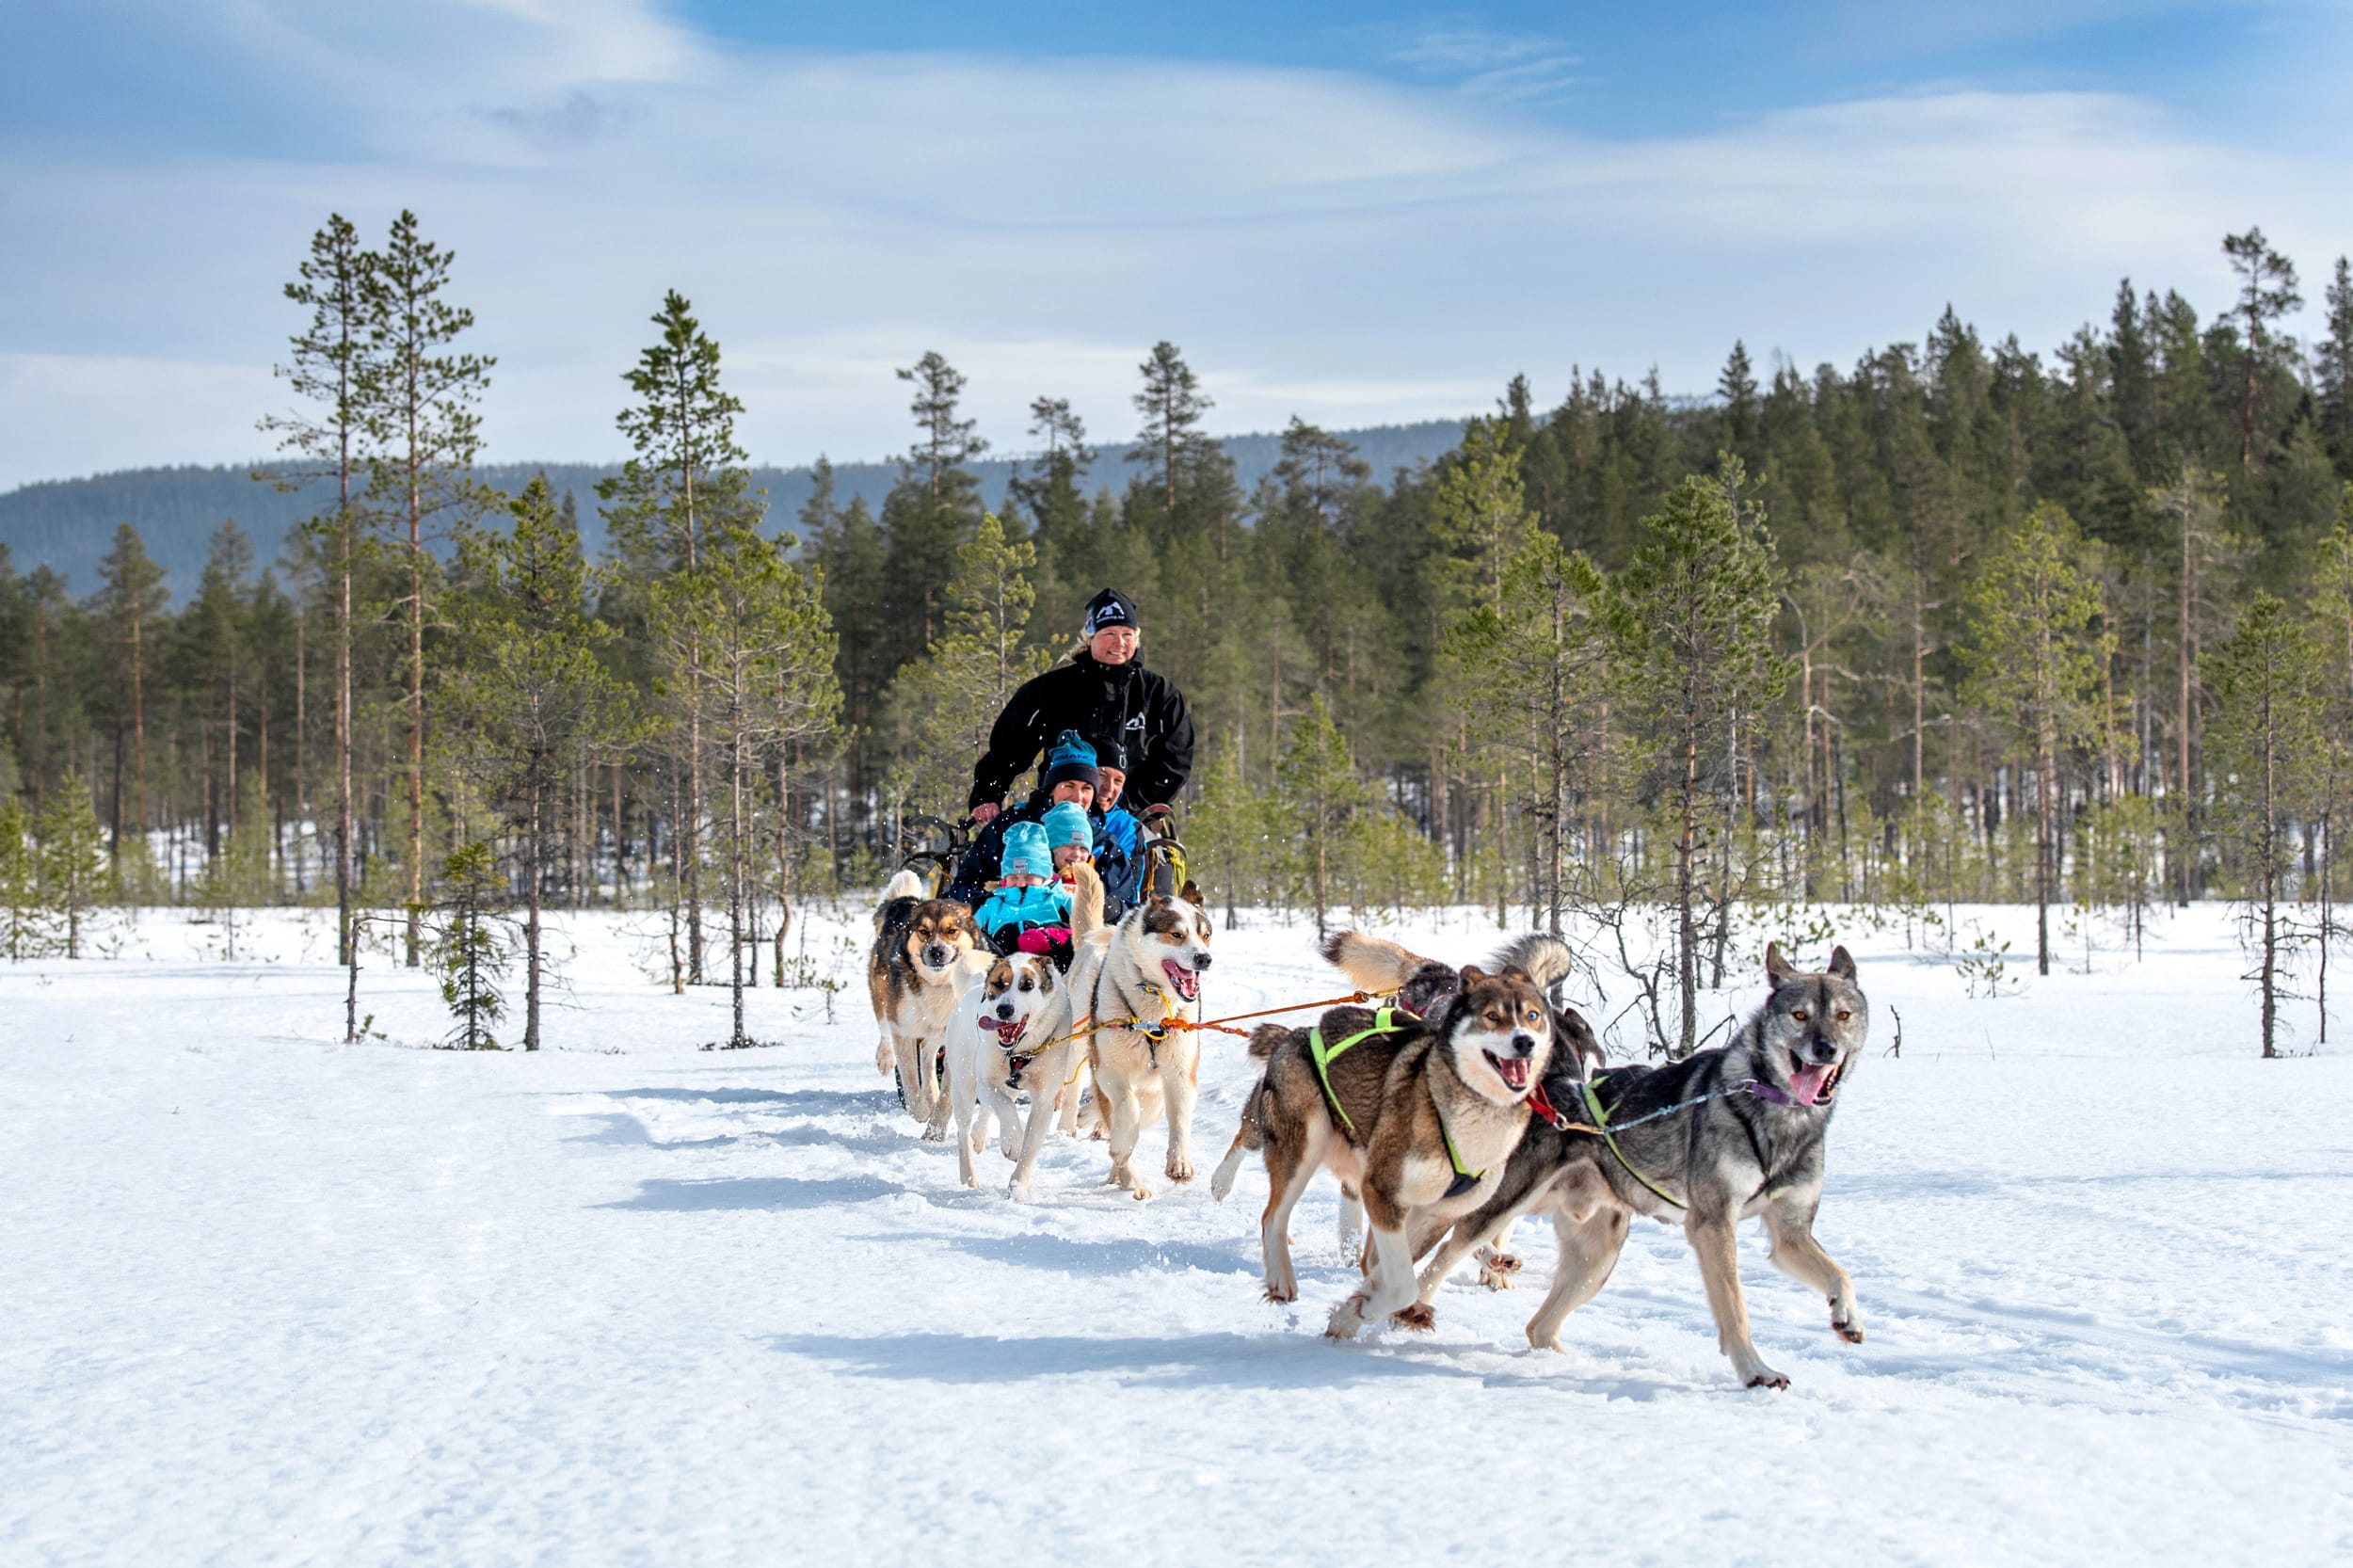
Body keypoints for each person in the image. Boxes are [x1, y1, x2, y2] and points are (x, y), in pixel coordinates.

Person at [968, 588, 1194, 824]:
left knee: (1154, 858)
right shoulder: (1050, 690)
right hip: (1057, 814)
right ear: (1090, 637)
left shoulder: (1160, 695)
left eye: (1127, 634)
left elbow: (1175, 764)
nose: (1119, 643)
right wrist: (987, 796)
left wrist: (1130, 806)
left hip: (1133, 818)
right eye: (1109, 633)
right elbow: (1006, 751)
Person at [945, 730, 1100, 909]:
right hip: (1007, 926)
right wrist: (991, 908)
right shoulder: (1011, 825)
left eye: (1087, 788)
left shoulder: (1103, 838)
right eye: (1069, 786)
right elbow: (965, 882)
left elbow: (1122, 902)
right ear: (1051, 789)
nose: (1077, 796)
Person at [969, 821, 1073, 959]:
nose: (1021, 883)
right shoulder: (992, 904)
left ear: (1044, 877)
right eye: (1013, 877)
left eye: (1029, 877)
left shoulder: (1059, 900)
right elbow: (967, 933)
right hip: (1000, 969)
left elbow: (1086, 927)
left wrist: (1054, 934)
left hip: (1047, 969)